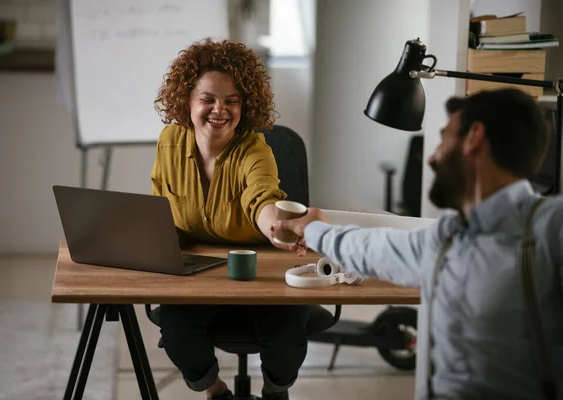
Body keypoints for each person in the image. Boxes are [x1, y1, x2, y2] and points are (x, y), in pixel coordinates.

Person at [272, 88, 563, 400]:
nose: (433, 157)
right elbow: (372, 248)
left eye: (444, 138)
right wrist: (312, 229)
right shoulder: (445, 239)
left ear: (474, 137)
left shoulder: (551, 228)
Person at [150, 39, 308, 400]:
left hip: (260, 274)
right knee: (176, 329)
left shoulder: (255, 150)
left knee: (287, 335)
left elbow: (262, 198)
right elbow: (161, 212)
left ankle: (275, 392)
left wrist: (276, 228)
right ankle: (216, 393)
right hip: (197, 275)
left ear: (245, 105)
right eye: (208, 98)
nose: (219, 110)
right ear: (187, 101)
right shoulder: (169, 143)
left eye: (232, 100)